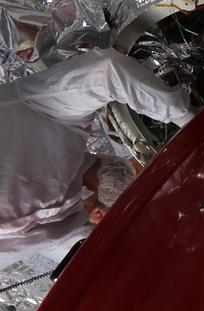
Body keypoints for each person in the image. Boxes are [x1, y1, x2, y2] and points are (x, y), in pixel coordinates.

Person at [0, 48, 193, 267]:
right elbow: (107, 72)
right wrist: (190, 120)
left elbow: (107, 71)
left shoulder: (53, 123)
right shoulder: (53, 122)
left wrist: (187, 118)